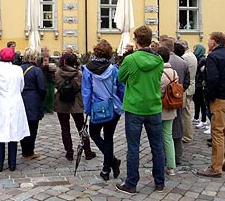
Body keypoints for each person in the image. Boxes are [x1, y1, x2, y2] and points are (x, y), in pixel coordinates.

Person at [116, 25, 165, 194]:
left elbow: (120, 77)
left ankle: (131, 183)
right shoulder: (159, 60)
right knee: (157, 146)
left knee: (133, 147)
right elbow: (158, 78)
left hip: (135, 107)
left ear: (136, 41)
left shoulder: (130, 59)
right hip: (153, 107)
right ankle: (160, 182)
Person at [82, 39, 124, 181]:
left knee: (94, 133)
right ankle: (107, 167)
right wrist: (121, 104)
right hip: (113, 107)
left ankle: (110, 164)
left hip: (97, 107)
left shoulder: (87, 69)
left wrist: (87, 109)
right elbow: (121, 88)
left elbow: (86, 91)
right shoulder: (113, 69)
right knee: (109, 137)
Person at [0, 47, 30, 172]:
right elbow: (21, 86)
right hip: (15, 102)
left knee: (0, 132)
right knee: (13, 132)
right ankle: (12, 163)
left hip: (1, 103)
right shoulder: (18, 70)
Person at [54, 53, 96, 161]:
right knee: (81, 128)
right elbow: (84, 88)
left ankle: (69, 152)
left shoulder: (58, 73)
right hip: (76, 103)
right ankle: (87, 151)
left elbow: (56, 85)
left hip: (62, 103)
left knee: (65, 128)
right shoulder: (79, 74)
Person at [197, 32, 225, 178]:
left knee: (218, 133)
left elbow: (213, 79)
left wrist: (209, 98)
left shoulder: (213, 57)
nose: (207, 42)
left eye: (209, 40)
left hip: (219, 98)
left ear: (214, 42)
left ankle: (216, 167)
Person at [160, 38, 190, 165]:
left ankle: (165, 157)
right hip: (178, 98)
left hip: (163, 102)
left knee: (164, 132)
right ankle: (177, 156)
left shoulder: (160, 64)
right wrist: (178, 92)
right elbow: (187, 81)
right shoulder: (182, 62)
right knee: (177, 125)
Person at [20, 48, 46, 159]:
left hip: (21, 99)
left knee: (22, 126)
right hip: (33, 100)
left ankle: (24, 149)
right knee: (32, 127)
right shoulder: (36, 70)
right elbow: (42, 87)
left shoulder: (18, 69)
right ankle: (29, 151)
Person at [157, 46, 178, 176]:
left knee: (157, 138)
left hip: (159, 108)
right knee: (168, 137)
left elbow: (157, 91)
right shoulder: (174, 72)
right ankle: (171, 166)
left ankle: (159, 162)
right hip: (171, 107)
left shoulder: (159, 73)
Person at [179, 40, 198, 143]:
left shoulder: (186, 57)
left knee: (185, 113)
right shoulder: (191, 54)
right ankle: (187, 134)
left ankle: (187, 136)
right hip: (191, 86)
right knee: (186, 112)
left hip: (187, 87)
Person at [193, 44, 208, 127]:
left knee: (202, 102)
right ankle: (196, 117)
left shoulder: (202, 59)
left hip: (200, 84)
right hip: (197, 83)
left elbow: (197, 69)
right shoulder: (199, 58)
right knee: (196, 101)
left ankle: (203, 119)